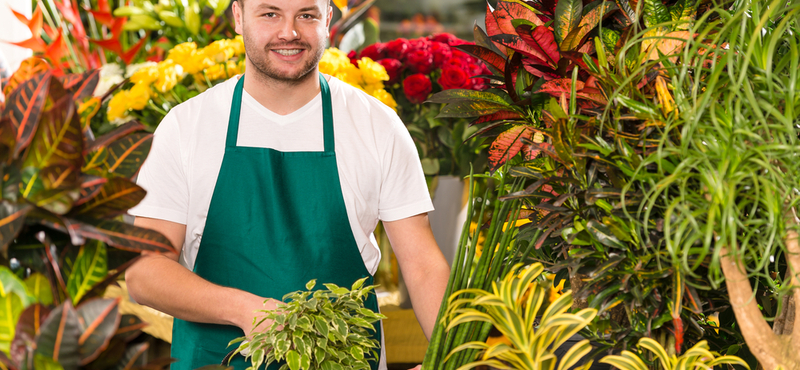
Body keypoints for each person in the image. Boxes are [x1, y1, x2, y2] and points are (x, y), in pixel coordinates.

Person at [124, 0, 450, 369]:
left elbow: (422, 265)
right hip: (214, 360)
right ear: (238, 16)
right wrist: (244, 309)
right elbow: (145, 271)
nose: (289, 32)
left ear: (327, 19)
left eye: (306, 15)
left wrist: (450, 359)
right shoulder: (187, 127)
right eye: (270, 13)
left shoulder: (376, 126)